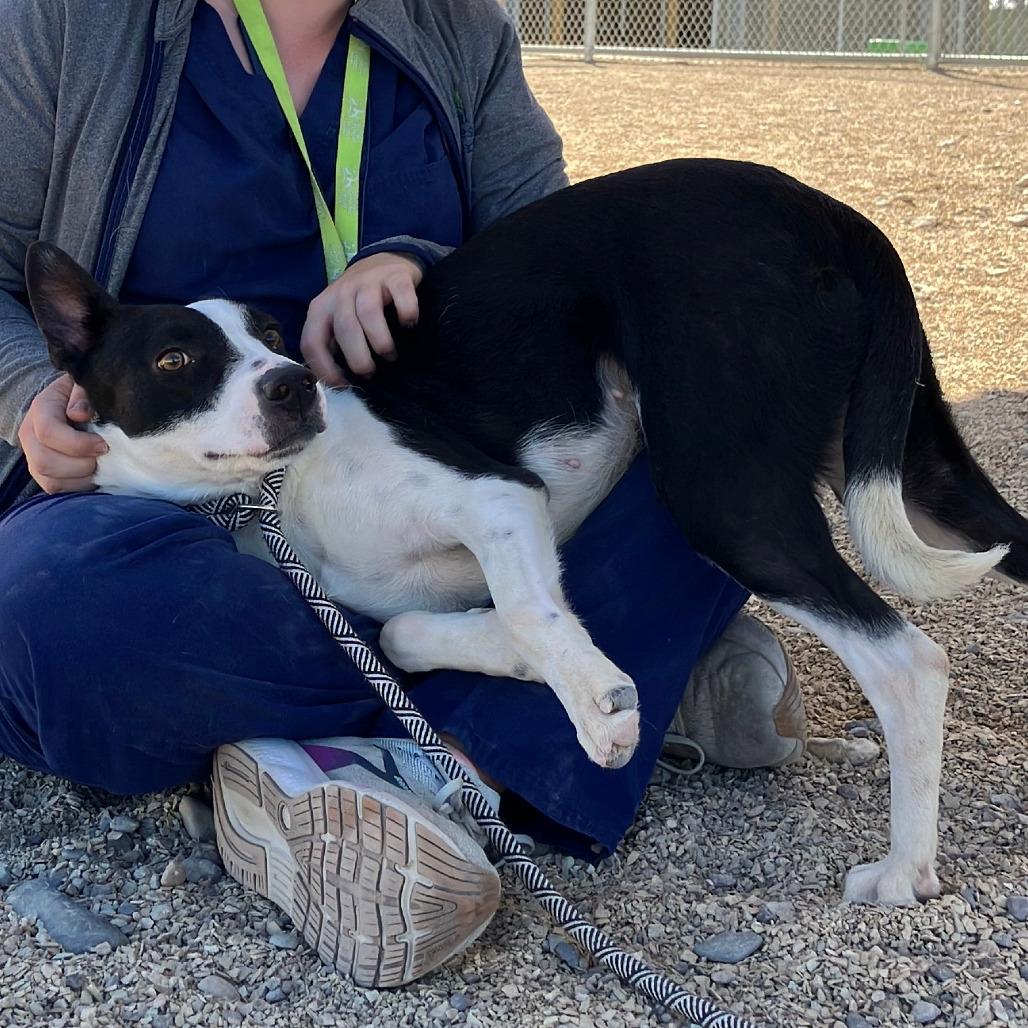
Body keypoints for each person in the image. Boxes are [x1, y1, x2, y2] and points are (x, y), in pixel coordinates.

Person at [0, 0, 807, 990]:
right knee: (56, 609)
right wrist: (28, 393)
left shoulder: (462, 36)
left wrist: (415, 260)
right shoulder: (61, 26)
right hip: (170, 507)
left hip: (421, 452)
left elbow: (564, 267)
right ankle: (575, 681)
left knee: (730, 405)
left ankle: (402, 759)